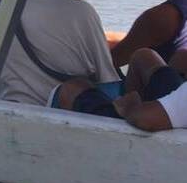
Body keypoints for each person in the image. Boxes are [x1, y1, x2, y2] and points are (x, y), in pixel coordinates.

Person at [58, 48, 187, 131]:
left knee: (73, 88)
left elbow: (145, 119)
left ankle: (123, 142)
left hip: (148, 120)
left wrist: (130, 106)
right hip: (175, 111)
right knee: (144, 57)